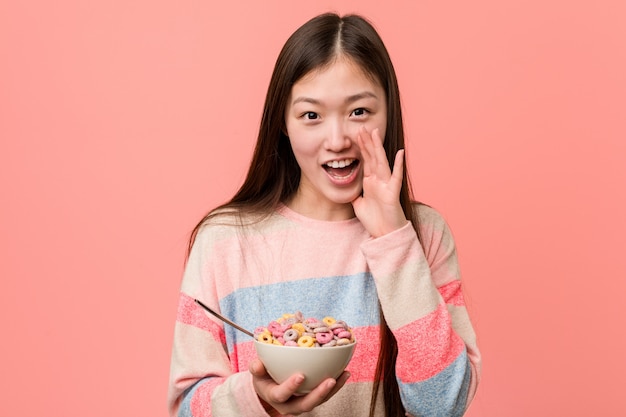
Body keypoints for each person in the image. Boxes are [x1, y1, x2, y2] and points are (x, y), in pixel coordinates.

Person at [167, 12, 481, 417]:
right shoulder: (224, 241)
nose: (337, 140)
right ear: (283, 122)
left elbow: (443, 405)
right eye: (311, 116)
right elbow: (185, 408)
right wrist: (257, 399)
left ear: (390, 113)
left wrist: (394, 241)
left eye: (360, 112)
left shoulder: (423, 234)